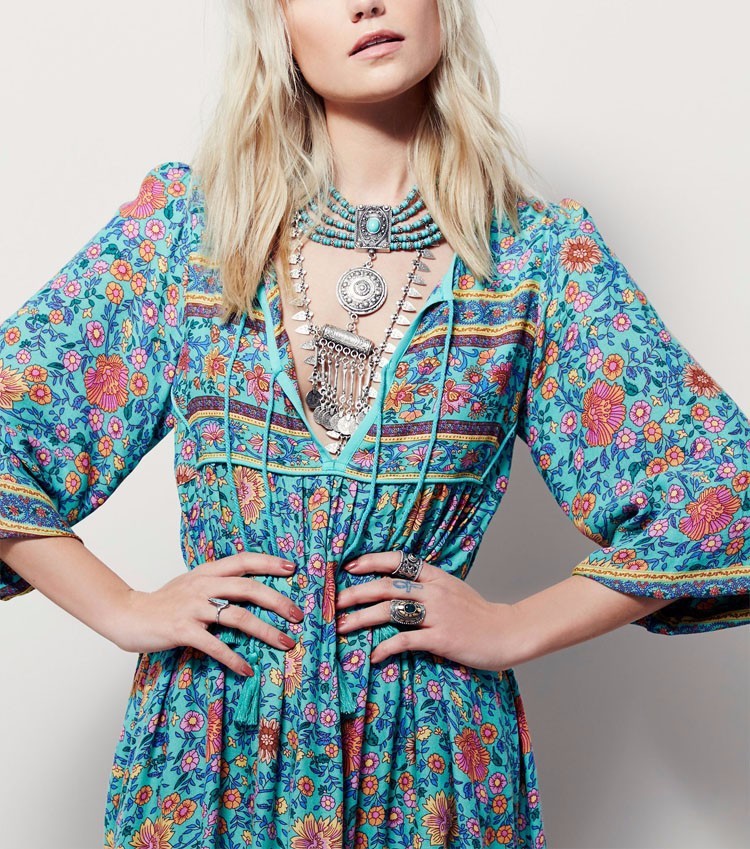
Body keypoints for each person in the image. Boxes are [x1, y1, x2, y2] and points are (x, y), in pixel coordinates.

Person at [1, 1, 748, 846]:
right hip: (212, 751)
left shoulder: (536, 260)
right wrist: (120, 607)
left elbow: (722, 490)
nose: (367, 2)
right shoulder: (188, 235)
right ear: (277, 24)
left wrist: (515, 625)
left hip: (429, 764)